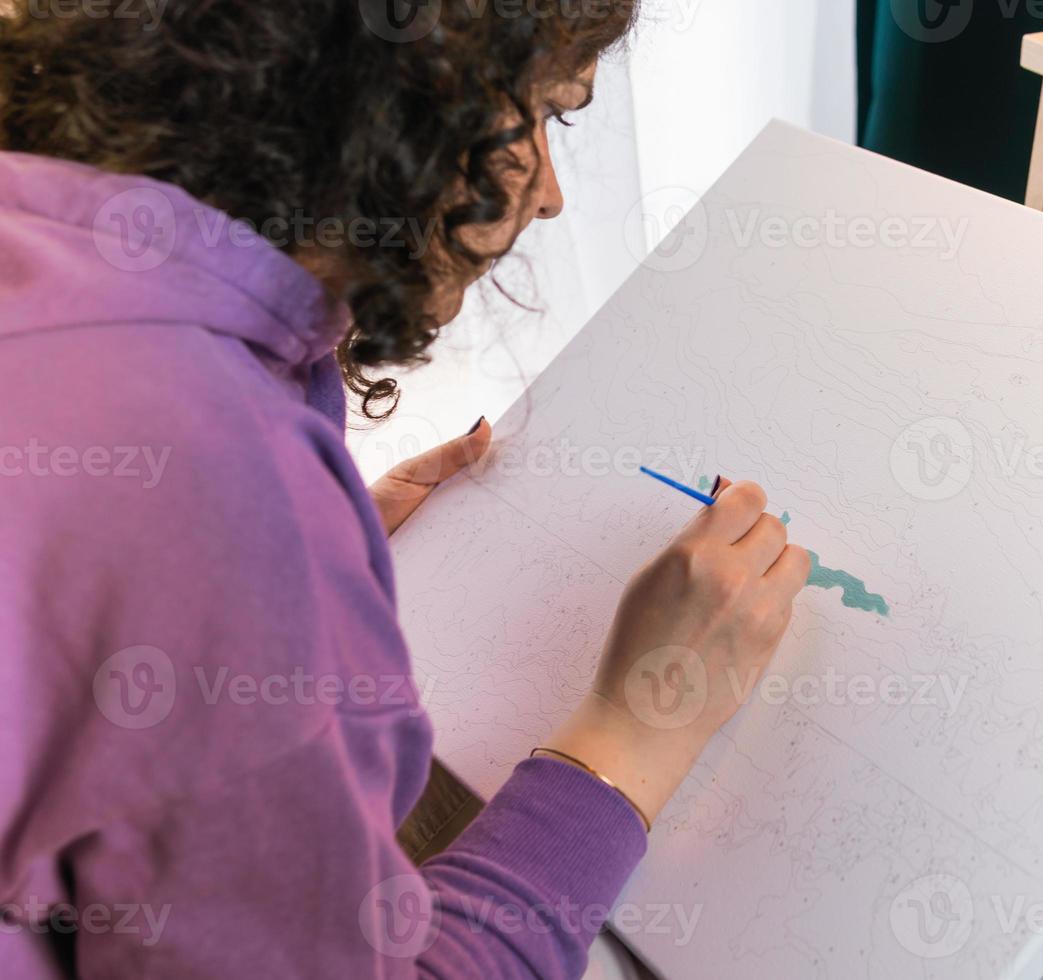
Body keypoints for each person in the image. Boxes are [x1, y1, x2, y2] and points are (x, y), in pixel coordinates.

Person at [0, 0, 809, 976]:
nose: (551, 195)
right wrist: (635, 732)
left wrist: (306, 574)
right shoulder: (209, 480)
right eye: (541, 116)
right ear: (401, 102)